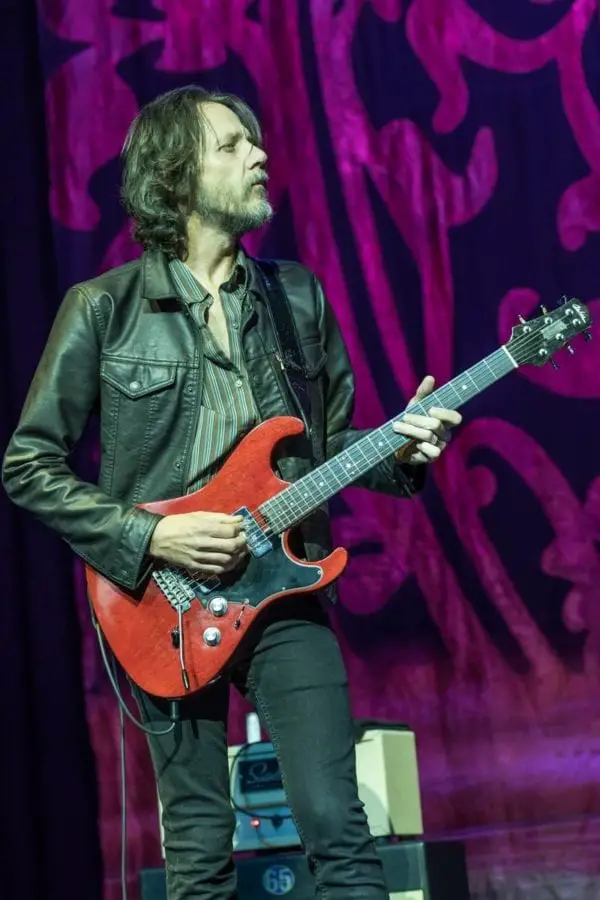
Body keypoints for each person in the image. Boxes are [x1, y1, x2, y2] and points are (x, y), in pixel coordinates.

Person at [2, 86, 462, 900]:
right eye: (232, 145)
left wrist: (404, 448)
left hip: (283, 589)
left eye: (256, 142)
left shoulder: (296, 297)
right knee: (199, 851)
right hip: (162, 604)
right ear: (177, 176)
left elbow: (326, 448)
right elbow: (28, 464)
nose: (259, 155)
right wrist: (152, 537)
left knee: (338, 826)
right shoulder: (103, 309)